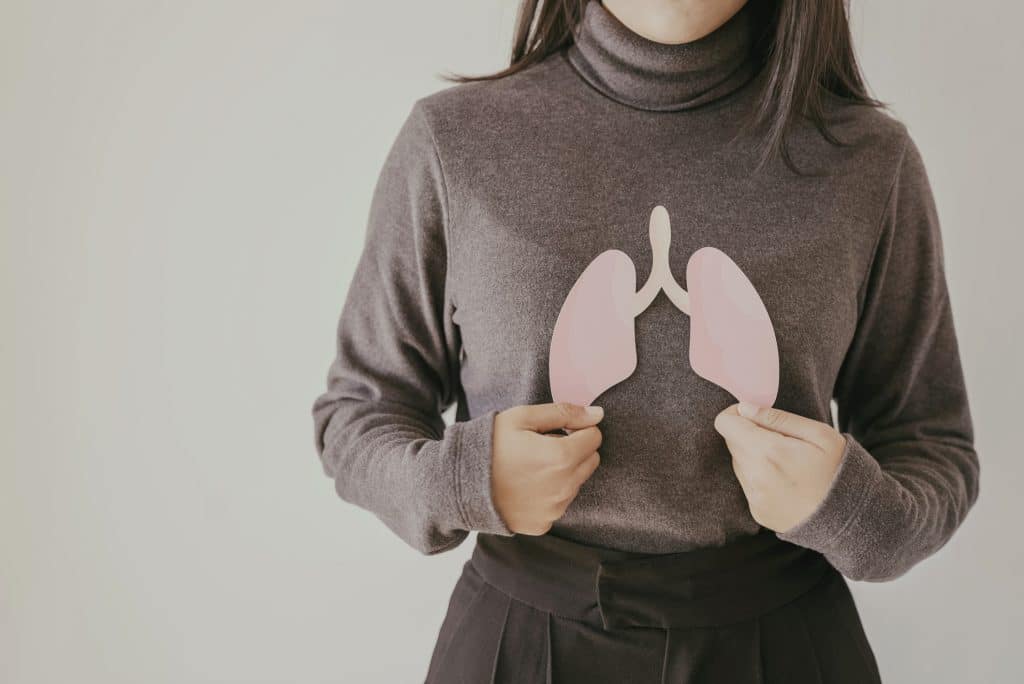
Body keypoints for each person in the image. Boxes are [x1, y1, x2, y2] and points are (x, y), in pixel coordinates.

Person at [311, 1, 980, 681]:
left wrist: (852, 511)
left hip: (785, 643)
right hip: (518, 644)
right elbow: (358, 416)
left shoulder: (870, 160)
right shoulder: (452, 141)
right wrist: (463, 483)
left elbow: (931, 442)